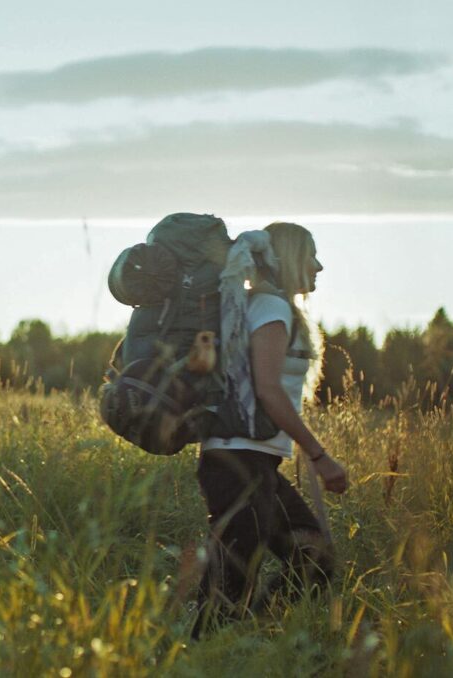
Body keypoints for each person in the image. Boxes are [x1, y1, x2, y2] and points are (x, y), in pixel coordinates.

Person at [194, 221, 349, 637]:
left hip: (251, 462)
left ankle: (248, 639)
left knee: (313, 557)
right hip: (237, 461)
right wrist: (319, 456)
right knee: (230, 584)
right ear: (287, 259)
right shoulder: (270, 308)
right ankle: (211, 651)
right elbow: (268, 391)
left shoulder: (269, 306)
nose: (318, 266)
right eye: (310, 255)